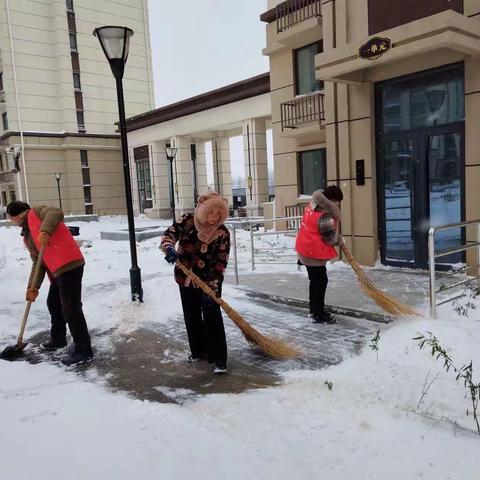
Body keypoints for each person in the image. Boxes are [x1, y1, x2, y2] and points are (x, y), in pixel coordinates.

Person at [6, 201, 93, 365]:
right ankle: (58, 339)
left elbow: (55, 212)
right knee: (54, 303)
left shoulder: (36, 212)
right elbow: (37, 263)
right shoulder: (27, 236)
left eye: (11, 219)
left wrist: (45, 231)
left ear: (16, 216)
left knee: (70, 307)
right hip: (57, 271)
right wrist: (32, 287)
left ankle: (83, 349)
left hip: (69, 263)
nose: (12, 222)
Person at [160, 192, 230, 374]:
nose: (214, 218)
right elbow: (170, 234)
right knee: (191, 315)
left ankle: (219, 359)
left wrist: (211, 286)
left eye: (218, 214)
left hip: (210, 280)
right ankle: (198, 351)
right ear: (202, 211)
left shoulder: (222, 232)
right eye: (210, 213)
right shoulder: (188, 221)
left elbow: (221, 261)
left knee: (212, 316)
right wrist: (169, 248)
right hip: (186, 278)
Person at [295, 186, 344, 324]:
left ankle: (314, 310)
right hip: (312, 253)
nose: (338, 204)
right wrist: (341, 240)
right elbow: (330, 238)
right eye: (337, 201)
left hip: (305, 248)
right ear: (331, 200)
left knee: (315, 281)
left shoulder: (313, 204)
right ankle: (318, 314)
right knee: (321, 282)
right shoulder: (325, 215)